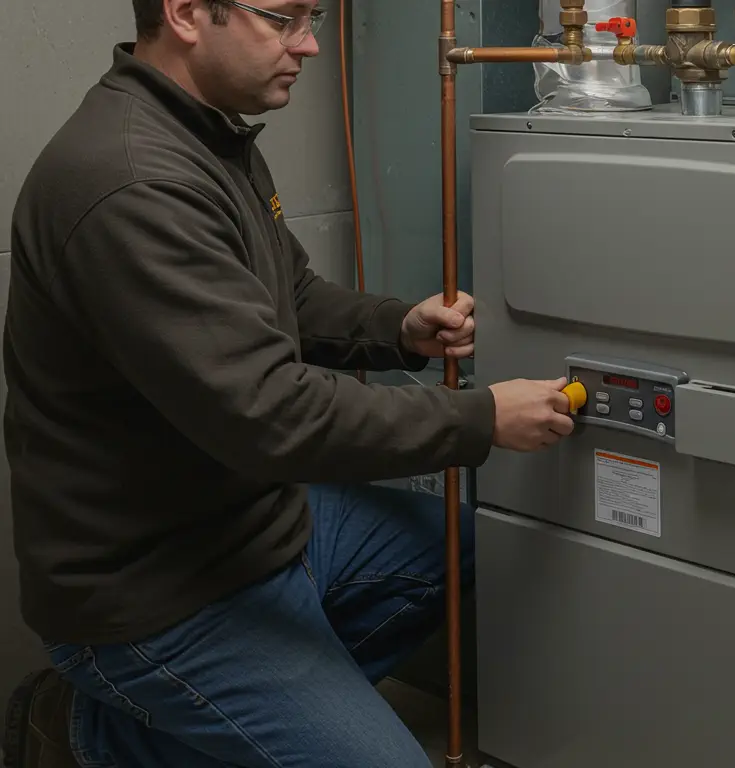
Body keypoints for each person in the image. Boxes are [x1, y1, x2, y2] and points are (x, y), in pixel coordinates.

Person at [2, 1, 576, 766]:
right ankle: (83, 737)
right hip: (159, 589)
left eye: (311, 16)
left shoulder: (210, 131)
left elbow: (289, 297)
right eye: (284, 18)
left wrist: (397, 326)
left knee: (466, 549)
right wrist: (479, 420)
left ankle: (244, 721)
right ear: (184, 13)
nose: (307, 44)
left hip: (252, 519)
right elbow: (272, 414)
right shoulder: (133, 182)